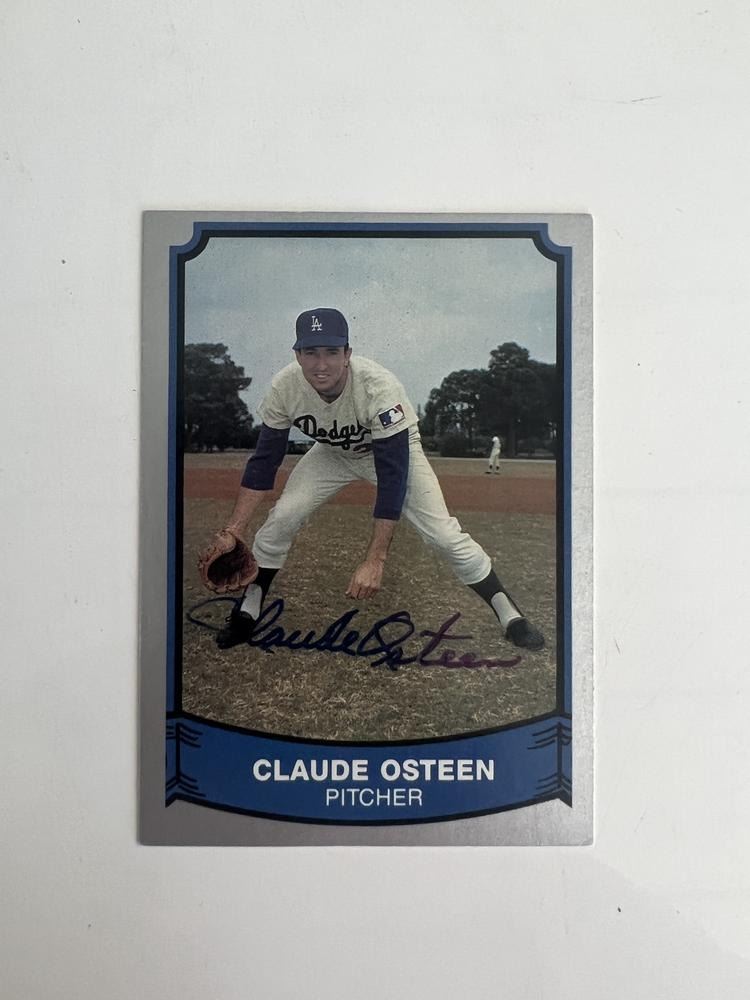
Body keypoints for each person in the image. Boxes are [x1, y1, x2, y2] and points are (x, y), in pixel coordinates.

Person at [203, 308, 545, 652]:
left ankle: (508, 612)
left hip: (393, 451)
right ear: (298, 355)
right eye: (311, 352)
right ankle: (250, 606)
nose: (321, 364)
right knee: (283, 516)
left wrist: (375, 559)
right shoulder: (284, 387)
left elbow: (392, 477)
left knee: (443, 535)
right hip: (332, 453)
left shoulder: (379, 387)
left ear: (347, 354)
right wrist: (234, 529)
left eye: (331, 352)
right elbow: (264, 462)